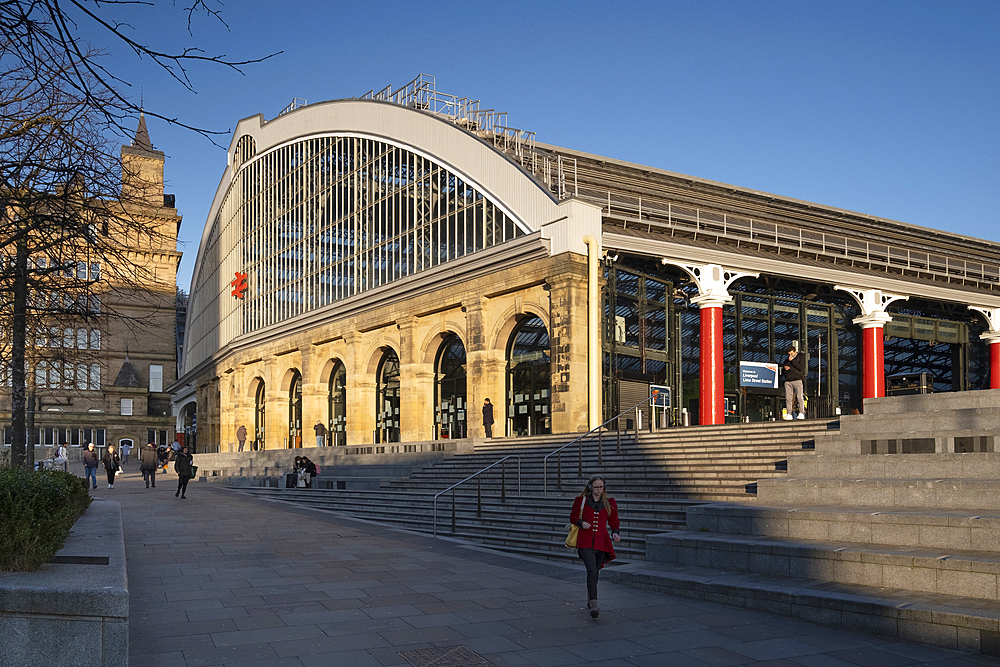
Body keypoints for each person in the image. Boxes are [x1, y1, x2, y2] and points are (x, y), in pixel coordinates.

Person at [569, 475, 620, 618]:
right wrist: (581, 523)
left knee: (596, 572)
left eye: (601, 487)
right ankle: (594, 604)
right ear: (591, 487)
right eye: (596, 487)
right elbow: (573, 517)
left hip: (602, 542)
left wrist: (615, 533)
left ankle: (590, 597)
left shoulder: (610, 502)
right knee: (591, 571)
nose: (599, 489)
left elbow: (614, 520)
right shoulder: (582, 501)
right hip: (585, 542)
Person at [782, 345, 806, 420]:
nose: (790, 355)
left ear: (795, 352)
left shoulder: (800, 357)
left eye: (792, 354)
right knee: (788, 398)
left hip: (797, 379)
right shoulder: (786, 360)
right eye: (789, 354)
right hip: (788, 380)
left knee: (799, 397)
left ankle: (801, 413)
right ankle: (789, 413)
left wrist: (792, 360)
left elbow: (800, 367)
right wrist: (785, 369)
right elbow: (782, 371)